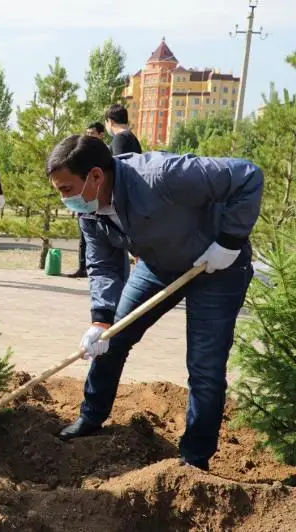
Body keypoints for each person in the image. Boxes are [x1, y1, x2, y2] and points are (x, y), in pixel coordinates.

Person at [46, 135, 262, 472]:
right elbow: (102, 265)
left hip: (218, 266)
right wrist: (101, 320)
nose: (64, 198)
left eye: (66, 189)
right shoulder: (90, 211)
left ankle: (194, 460)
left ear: (96, 176)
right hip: (158, 266)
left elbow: (248, 176)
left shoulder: (161, 175)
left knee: (205, 367)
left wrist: (229, 241)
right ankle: (91, 416)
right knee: (112, 340)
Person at [66, 122, 108, 278]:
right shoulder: (82, 152)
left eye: (92, 133)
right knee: (83, 234)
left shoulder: (106, 153)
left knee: (100, 236)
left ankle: (98, 267)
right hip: (83, 199)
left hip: (99, 200)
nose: (89, 136)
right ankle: (82, 267)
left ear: (101, 135)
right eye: (87, 133)